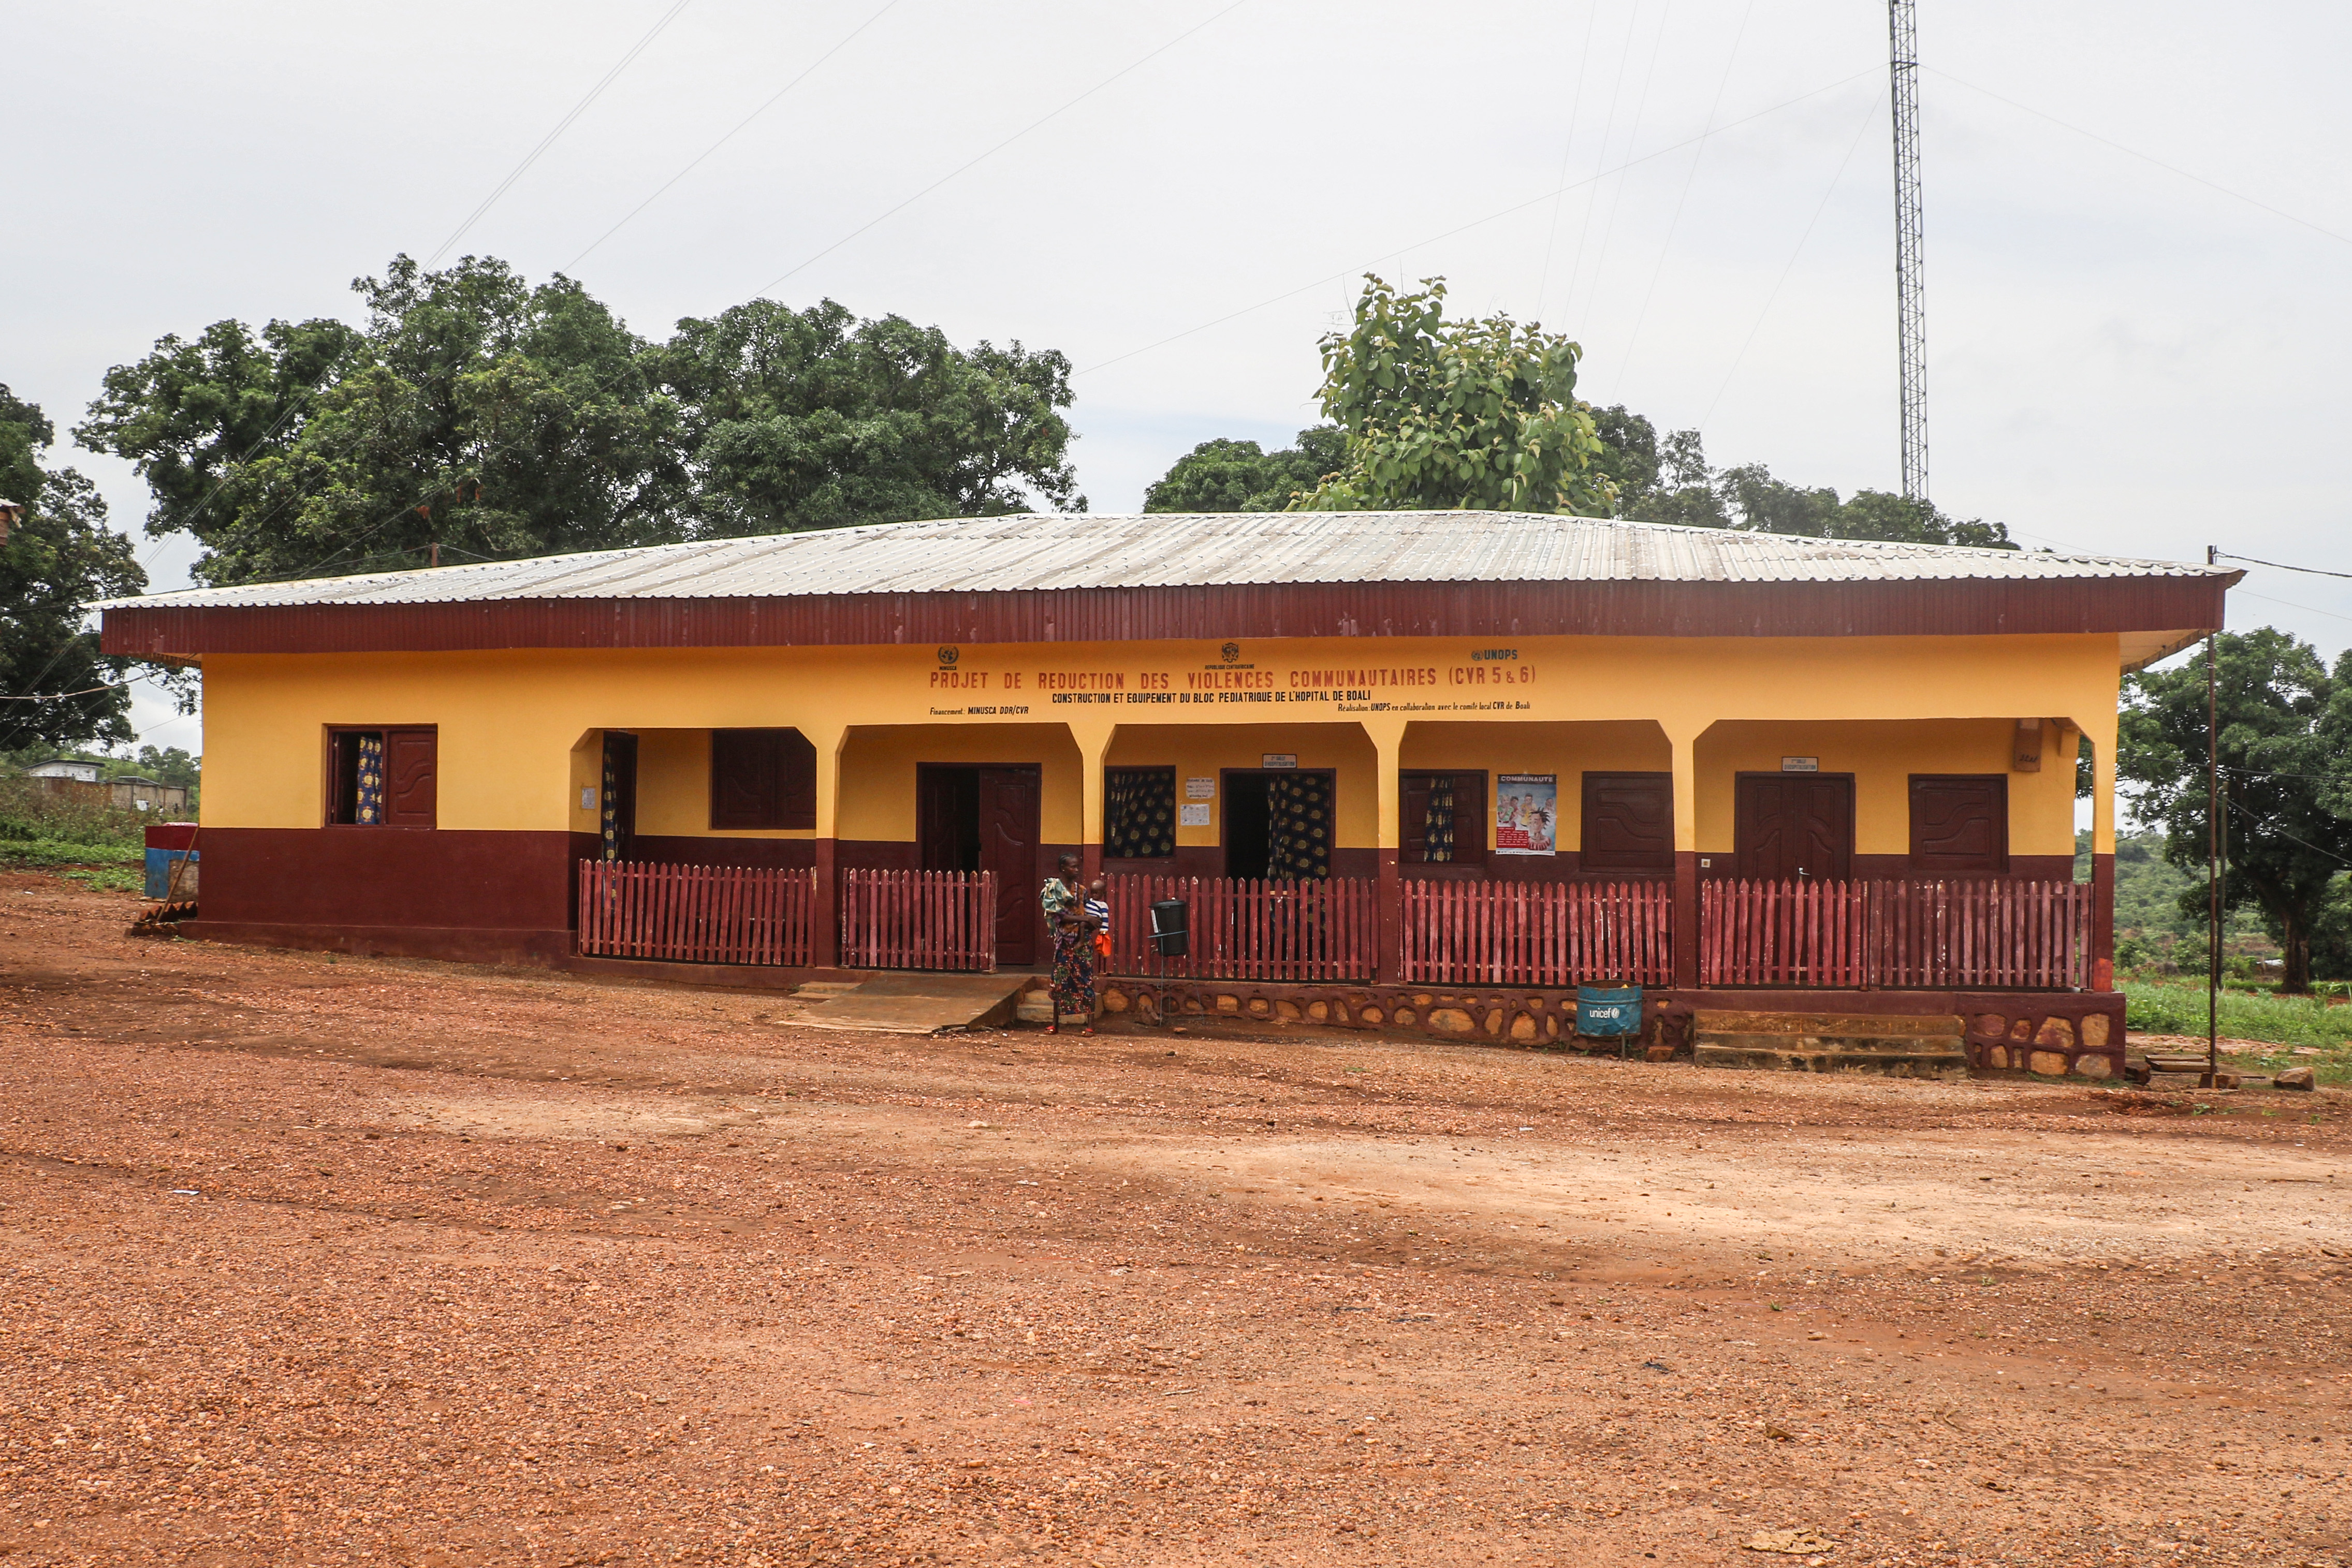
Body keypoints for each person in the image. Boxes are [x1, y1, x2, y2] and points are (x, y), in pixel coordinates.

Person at [1039, 853, 1097, 1034]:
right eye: (1073, 867)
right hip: (1064, 942)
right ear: (1063, 868)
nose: (1076, 870)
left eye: (1078, 867)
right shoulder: (1053, 890)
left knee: (1086, 980)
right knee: (1060, 981)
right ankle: (1055, 1023)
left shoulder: (1083, 891)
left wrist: (1091, 921)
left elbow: (1091, 911)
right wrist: (1085, 918)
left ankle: (1090, 1025)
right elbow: (1060, 917)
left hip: (1083, 941)